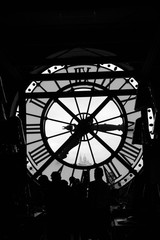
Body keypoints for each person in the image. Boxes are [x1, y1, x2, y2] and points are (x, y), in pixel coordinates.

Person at [88, 167, 112, 240]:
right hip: (103, 212)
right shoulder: (106, 186)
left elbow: (90, 199)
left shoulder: (91, 185)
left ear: (95, 175)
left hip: (94, 212)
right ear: (102, 174)